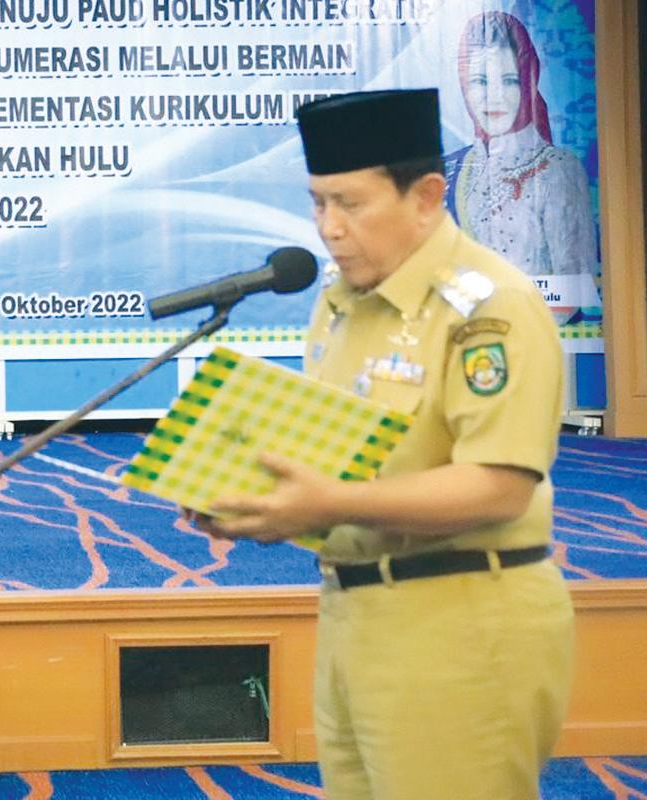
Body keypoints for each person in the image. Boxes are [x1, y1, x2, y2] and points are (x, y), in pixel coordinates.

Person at [189, 89, 574, 799]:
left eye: (350, 204)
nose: (329, 228)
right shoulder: (340, 303)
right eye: (317, 203)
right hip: (352, 613)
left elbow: (500, 486)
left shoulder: (489, 306)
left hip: (461, 621)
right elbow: (347, 467)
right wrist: (262, 503)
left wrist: (331, 501)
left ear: (426, 196)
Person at [443, 11, 596, 278]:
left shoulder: (558, 169)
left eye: (509, 81)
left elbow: (575, 283)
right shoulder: (451, 169)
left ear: (528, 82)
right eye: (480, 81)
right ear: (464, 85)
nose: (494, 96)